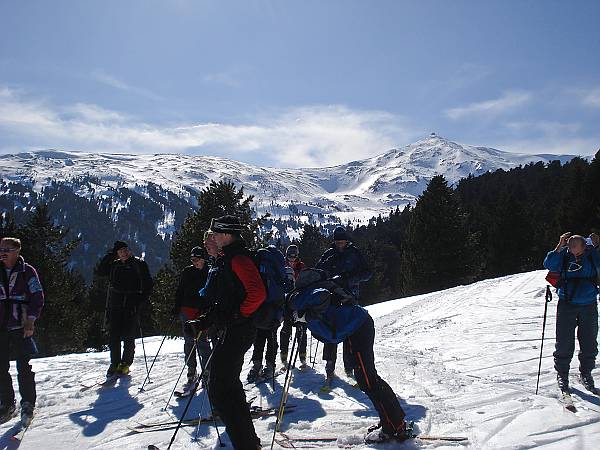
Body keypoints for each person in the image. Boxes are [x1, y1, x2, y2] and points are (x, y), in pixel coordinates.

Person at [289, 269, 408, 443]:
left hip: (358, 329)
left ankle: (394, 427)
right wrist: (307, 317)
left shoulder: (310, 295)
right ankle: (392, 422)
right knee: (369, 379)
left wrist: (306, 317)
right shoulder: (314, 295)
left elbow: (332, 333)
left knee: (368, 381)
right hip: (357, 328)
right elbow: (332, 333)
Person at [196, 215, 266, 449]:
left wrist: (239, 315)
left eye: (215, 234)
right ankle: (247, 441)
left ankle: (245, 443)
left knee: (220, 388)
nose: (212, 238)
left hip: (238, 331)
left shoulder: (238, 259)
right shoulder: (229, 258)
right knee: (228, 386)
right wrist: (206, 320)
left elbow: (257, 294)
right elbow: (226, 299)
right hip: (233, 328)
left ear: (226, 234)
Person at [544, 232, 600, 393]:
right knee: (563, 342)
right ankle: (562, 374)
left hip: (588, 305)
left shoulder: (592, 256)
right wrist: (559, 244)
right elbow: (549, 264)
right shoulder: (563, 256)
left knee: (589, 342)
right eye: (570, 244)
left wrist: (598, 246)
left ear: (584, 246)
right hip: (567, 304)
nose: (571, 247)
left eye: (574, 245)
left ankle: (586, 373)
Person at [316, 226, 371, 382]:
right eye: (337, 242)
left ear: (347, 241)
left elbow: (367, 273)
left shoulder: (355, 253)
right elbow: (319, 271)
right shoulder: (328, 254)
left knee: (349, 332)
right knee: (330, 330)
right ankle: (329, 366)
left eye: (343, 242)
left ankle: (350, 366)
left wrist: (350, 279)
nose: (340, 245)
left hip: (350, 297)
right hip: (332, 297)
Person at [0, 237, 44, 425]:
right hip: (1, 326)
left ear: (17, 251)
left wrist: (31, 320)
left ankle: (28, 403)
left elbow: (37, 296)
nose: (3, 252)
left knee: (23, 366)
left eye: (7, 249)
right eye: (1, 248)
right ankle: (7, 403)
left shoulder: (27, 271)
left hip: (21, 325)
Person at [98, 241, 153, 377]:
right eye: (120, 251)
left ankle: (126, 363)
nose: (123, 252)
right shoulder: (115, 265)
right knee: (114, 335)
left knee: (129, 335)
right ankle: (114, 362)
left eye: (125, 250)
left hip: (131, 303)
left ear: (128, 250)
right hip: (116, 303)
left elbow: (148, 284)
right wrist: (110, 256)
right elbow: (101, 271)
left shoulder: (139, 264)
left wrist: (140, 300)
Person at [173, 246, 211, 391]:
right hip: (186, 310)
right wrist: (176, 306)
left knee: (202, 342)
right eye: (192, 259)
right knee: (189, 341)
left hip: (201, 312)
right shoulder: (187, 272)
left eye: (197, 259)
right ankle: (191, 370)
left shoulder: (209, 271)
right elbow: (180, 290)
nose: (194, 262)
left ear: (203, 259)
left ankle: (207, 370)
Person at [280, 245, 308, 368]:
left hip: (299, 299)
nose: (292, 259)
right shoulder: (283, 266)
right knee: (286, 328)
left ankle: (302, 355)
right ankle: (284, 354)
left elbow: (306, 281)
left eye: (294, 256)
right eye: (290, 256)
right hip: (286, 300)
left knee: (301, 328)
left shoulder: (301, 266)